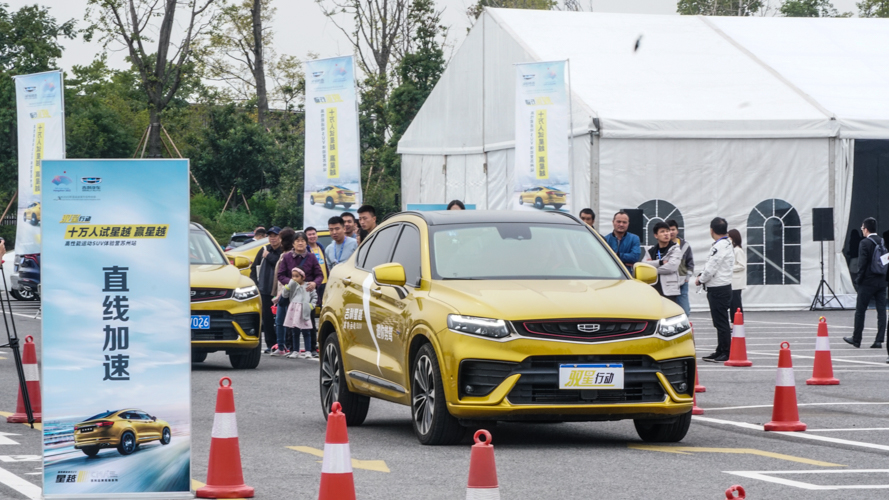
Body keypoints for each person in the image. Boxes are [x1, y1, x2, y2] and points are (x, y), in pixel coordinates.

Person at [275, 231, 322, 355]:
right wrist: (292, 284)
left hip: (307, 293)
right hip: (293, 295)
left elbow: (319, 275)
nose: (300, 243)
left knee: (309, 322)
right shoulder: (287, 257)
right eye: (297, 241)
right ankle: (292, 348)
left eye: (302, 241)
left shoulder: (311, 257)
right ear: (293, 244)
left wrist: (314, 284)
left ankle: (311, 348)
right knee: (292, 322)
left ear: (306, 243)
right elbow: (280, 274)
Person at [844, 217, 887, 350]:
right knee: (882, 311)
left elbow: (862, 264)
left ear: (866, 229)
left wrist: (858, 280)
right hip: (881, 281)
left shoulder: (864, 243)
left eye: (862, 228)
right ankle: (879, 340)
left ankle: (856, 339)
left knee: (860, 311)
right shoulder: (882, 241)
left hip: (867, 282)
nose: (862, 230)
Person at [696, 217, 735, 363]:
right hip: (723, 287)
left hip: (718, 288)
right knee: (720, 321)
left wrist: (700, 279)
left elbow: (712, 266)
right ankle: (721, 350)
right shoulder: (726, 244)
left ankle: (725, 351)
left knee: (721, 322)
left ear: (711, 230)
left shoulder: (719, 246)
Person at [250, 226, 283, 353]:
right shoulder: (263, 250)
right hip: (264, 289)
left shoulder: (283, 251)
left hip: (279, 290)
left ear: (280, 237)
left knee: (281, 319)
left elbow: (280, 264)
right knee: (267, 319)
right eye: (270, 236)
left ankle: (282, 344)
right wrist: (256, 285)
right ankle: (270, 345)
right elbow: (254, 268)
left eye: (275, 235)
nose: (273, 238)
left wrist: (269, 256)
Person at [279, 267, 318, 359]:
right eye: (293, 276)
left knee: (306, 331)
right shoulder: (292, 286)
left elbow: (315, 296)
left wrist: (311, 306)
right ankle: (295, 350)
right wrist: (288, 286)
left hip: (304, 310)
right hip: (294, 310)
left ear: (303, 277)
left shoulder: (308, 286)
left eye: (297, 276)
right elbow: (284, 294)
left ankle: (308, 350)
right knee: (294, 331)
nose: (294, 278)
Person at [642, 221, 681, 303]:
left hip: (669, 290)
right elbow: (643, 265)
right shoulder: (650, 250)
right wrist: (660, 263)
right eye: (662, 232)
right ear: (656, 235)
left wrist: (652, 270)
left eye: (667, 231)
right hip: (653, 288)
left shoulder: (675, 249)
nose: (666, 234)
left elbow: (671, 267)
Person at [667, 219, 694, 316]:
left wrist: (687, 278)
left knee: (685, 309)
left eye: (673, 229)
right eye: (669, 230)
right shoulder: (663, 245)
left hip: (682, 282)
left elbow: (690, 263)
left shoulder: (685, 246)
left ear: (677, 231)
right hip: (668, 283)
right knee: (670, 310)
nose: (671, 232)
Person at [728, 229, 746, 321]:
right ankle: (734, 321)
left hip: (737, 282)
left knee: (736, 303)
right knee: (732, 303)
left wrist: (730, 267)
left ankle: (738, 321)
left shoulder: (738, 250)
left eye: (729, 237)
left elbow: (742, 265)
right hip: (733, 282)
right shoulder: (732, 250)